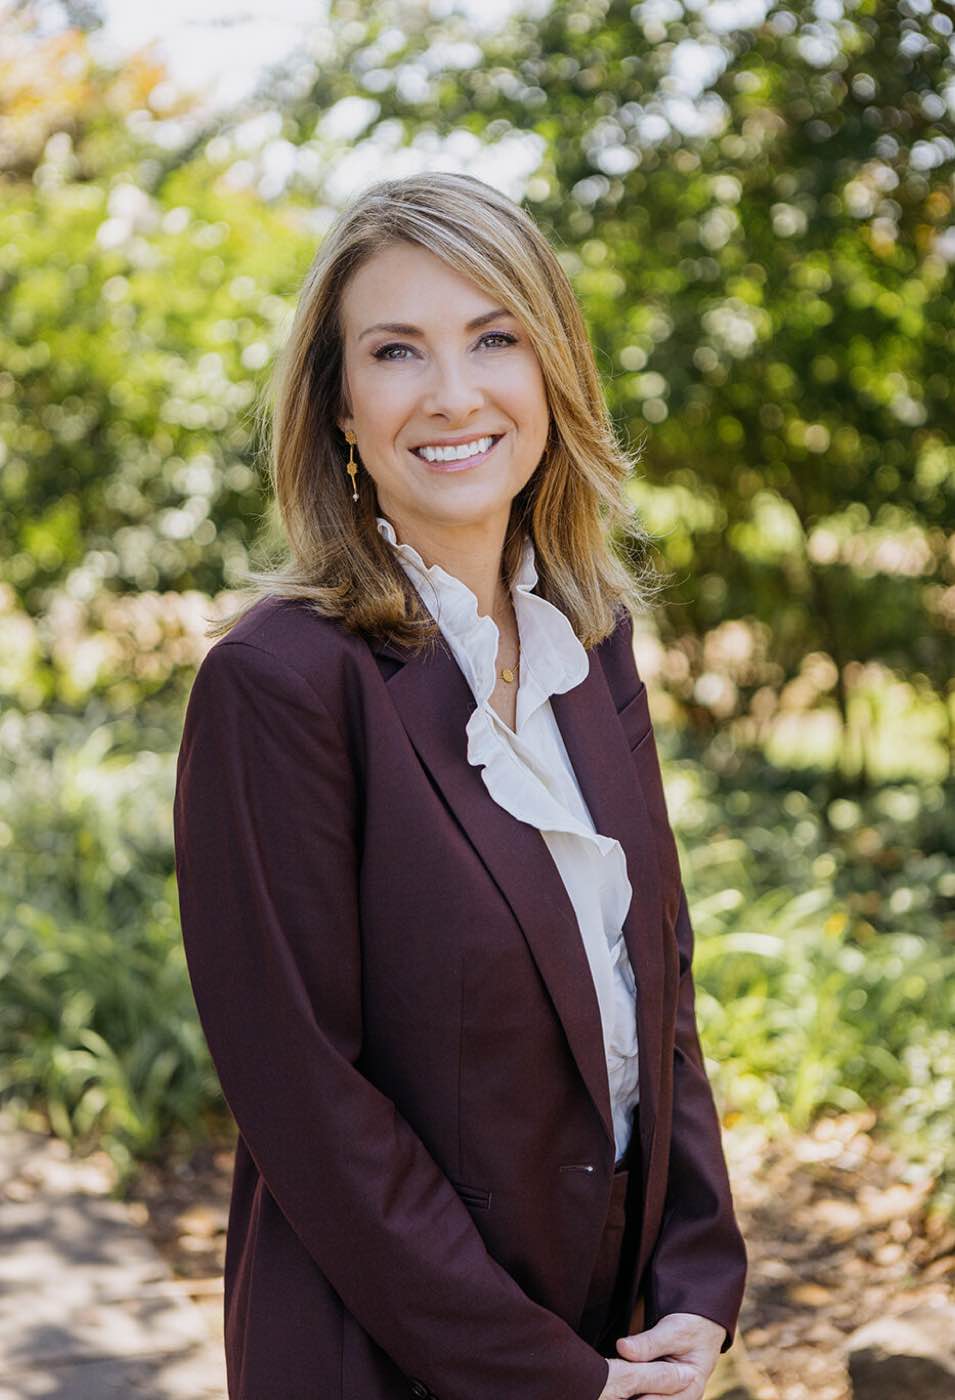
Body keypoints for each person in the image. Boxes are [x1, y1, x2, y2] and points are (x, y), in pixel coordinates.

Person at [173, 170, 747, 1400]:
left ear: (552, 373)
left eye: (494, 337)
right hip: (386, 1357)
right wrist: (543, 1371)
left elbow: (659, 987)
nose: (452, 393)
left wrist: (698, 1283)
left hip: (614, 1338)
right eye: (395, 350)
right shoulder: (277, 683)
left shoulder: (588, 646)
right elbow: (309, 1105)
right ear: (337, 406)